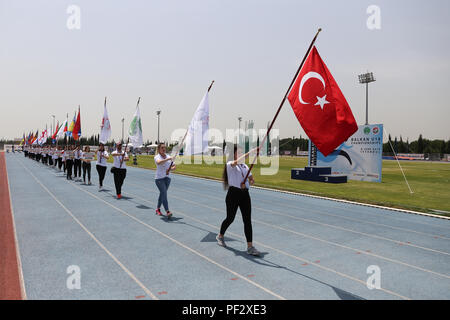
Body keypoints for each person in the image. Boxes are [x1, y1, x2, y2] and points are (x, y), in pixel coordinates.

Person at [216, 145, 260, 256]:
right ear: (233, 154)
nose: (240, 154)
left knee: (247, 220)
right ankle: (220, 235)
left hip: (245, 195)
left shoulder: (245, 166)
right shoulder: (230, 165)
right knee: (230, 218)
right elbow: (236, 162)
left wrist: (249, 182)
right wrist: (252, 152)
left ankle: (250, 247)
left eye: (241, 152)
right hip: (233, 195)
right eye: (238, 152)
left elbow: (251, 179)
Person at [154, 143, 175, 218]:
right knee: (164, 193)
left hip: (167, 178)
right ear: (159, 149)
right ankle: (167, 211)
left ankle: (158, 209)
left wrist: (170, 169)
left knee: (162, 194)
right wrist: (168, 159)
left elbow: (174, 166)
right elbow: (159, 163)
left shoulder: (168, 156)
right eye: (162, 148)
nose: (164, 149)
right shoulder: (157, 157)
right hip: (159, 179)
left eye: (164, 148)